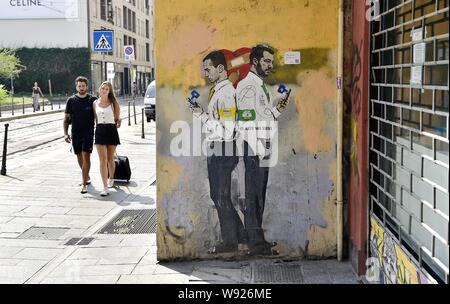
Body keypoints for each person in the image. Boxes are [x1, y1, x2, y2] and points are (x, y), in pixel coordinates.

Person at [189, 50, 247, 254]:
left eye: (208, 69)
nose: (205, 73)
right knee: (219, 196)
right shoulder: (219, 91)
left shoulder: (226, 94)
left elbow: (228, 130)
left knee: (220, 196)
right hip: (219, 148)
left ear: (221, 69)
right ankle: (241, 236)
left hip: (223, 148)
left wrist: (202, 116)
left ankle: (230, 242)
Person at [236, 44, 290, 255]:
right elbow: (246, 122)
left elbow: (261, 117)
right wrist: (259, 150)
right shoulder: (248, 87)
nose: (270, 65)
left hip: (261, 147)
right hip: (255, 148)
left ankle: (257, 240)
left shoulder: (258, 85)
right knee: (254, 195)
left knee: (259, 195)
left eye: (271, 62)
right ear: (255, 61)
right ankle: (255, 243)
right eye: (267, 61)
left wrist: (276, 111)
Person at [63, 76, 97, 194]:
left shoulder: (93, 100)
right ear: (76, 87)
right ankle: (86, 176)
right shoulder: (71, 100)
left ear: (87, 87)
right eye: (79, 86)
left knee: (86, 156)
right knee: (79, 156)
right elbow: (66, 119)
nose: (81, 88)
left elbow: (99, 115)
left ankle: (83, 184)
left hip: (88, 133)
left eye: (83, 86)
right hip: (76, 133)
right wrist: (65, 134)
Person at [93, 81, 121, 197]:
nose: (104, 90)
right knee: (102, 160)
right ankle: (105, 187)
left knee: (110, 159)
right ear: (100, 89)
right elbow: (96, 119)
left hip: (111, 131)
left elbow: (117, 118)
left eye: (106, 89)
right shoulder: (94, 103)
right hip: (99, 131)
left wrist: (119, 121)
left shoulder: (114, 103)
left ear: (109, 91)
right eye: (102, 88)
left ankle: (112, 177)